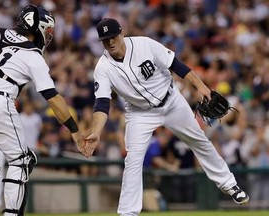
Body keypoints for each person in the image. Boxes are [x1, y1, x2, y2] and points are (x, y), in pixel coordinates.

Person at [84, 18, 250, 216]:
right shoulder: (102, 68)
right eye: (105, 40)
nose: (110, 42)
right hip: (140, 113)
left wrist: (201, 86)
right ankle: (128, 213)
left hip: (172, 101)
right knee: (133, 160)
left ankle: (230, 185)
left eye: (112, 37)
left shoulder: (144, 44)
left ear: (121, 33)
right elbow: (102, 103)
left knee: (199, 141)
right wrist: (96, 131)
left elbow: (176, 65)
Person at [0, 5, 85, 215]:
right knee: (22, 160)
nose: (47, 36)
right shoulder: (33, 56)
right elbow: (53, 99)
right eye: (46, 31)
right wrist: (74, 130)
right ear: (36, 27)